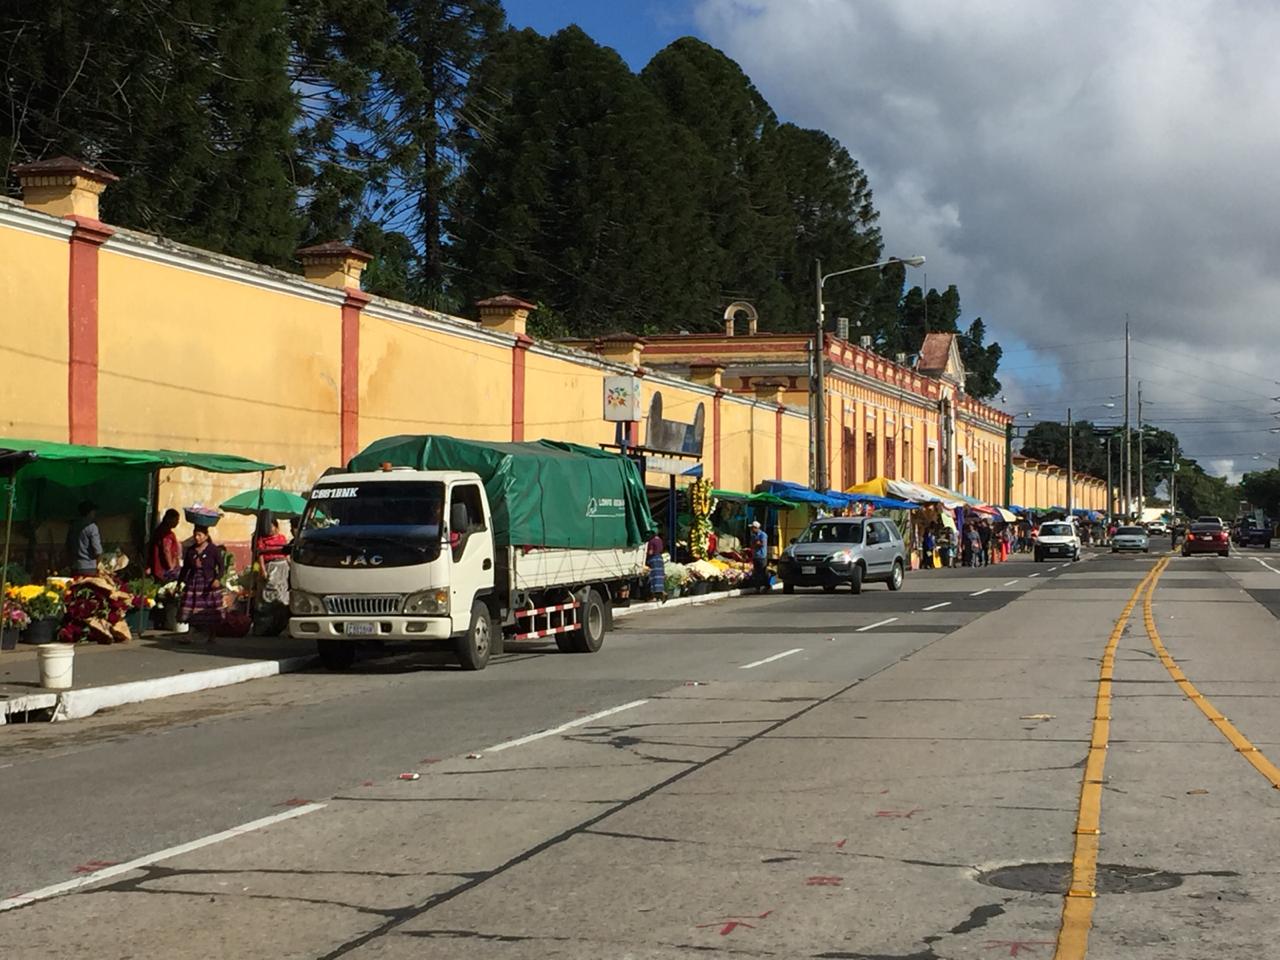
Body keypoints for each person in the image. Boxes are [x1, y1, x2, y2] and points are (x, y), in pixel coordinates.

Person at [178, 525, 225, 643]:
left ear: (206, 536)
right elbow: (185, 568)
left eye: (199, 535)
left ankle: (212, 635)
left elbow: (221, 567)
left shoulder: (213, 549)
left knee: (210, 609)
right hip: (194, 582)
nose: (197, 537)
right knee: (192, 607)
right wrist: (179, 582)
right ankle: (190, 634)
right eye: (195, 534)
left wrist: (217, 579)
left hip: (209, 583)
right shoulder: (191, 550)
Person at [65, 500, 103, 576]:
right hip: (89, 567)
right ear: (90, 512)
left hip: (75, 566)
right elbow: (97, 550)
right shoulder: (92, 527)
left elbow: (67, 546)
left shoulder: (73, 526)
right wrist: (100, 563)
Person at [148, 509, 182, 582]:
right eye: (176, 520)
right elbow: (166, 550)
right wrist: (171, 567)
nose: (177, 522)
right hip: (164, 570)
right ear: (169, 519)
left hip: (158, 569)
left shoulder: (160, 530)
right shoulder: (166, 534)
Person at [751, 520, 771, 594]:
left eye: (753, 528)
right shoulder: (753, 536)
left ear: (756, 528)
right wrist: (756, 543)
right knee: (756, 573)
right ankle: (757, 587)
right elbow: (753, 544)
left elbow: (761, 544)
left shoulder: (763, 535)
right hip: (755, 556)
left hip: (762, 556)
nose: (752, 530)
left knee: (762, 572)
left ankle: (766, 585)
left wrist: (756, 543)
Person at [645, 530, 666, 602]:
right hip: (660, 559)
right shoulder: (659, 540)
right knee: (660, 578)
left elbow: (650, 552)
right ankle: (661, 593)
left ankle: (654, 596)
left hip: (653, 560)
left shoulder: (651, 541)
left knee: (653, 578)